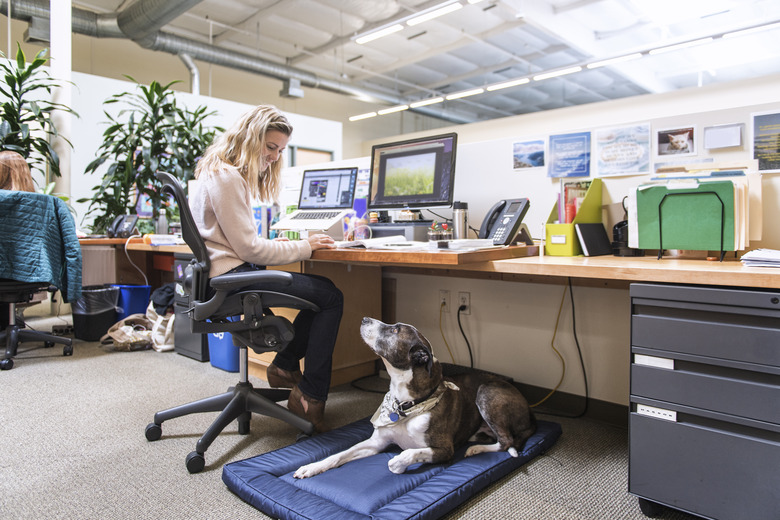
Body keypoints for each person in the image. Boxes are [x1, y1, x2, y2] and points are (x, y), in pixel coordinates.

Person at [190, 105, 342, 432]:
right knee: (330, 296)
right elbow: (248, 248)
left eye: (281, 150)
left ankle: (286, 368)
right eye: (270, 147)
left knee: (321, 296)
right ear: (249, 137)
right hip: (233, 280)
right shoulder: (227, 177)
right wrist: (306, 245)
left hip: (224, 276)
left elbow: (239, 242)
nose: (274, 156)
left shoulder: (214, 170)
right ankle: (309, 395)